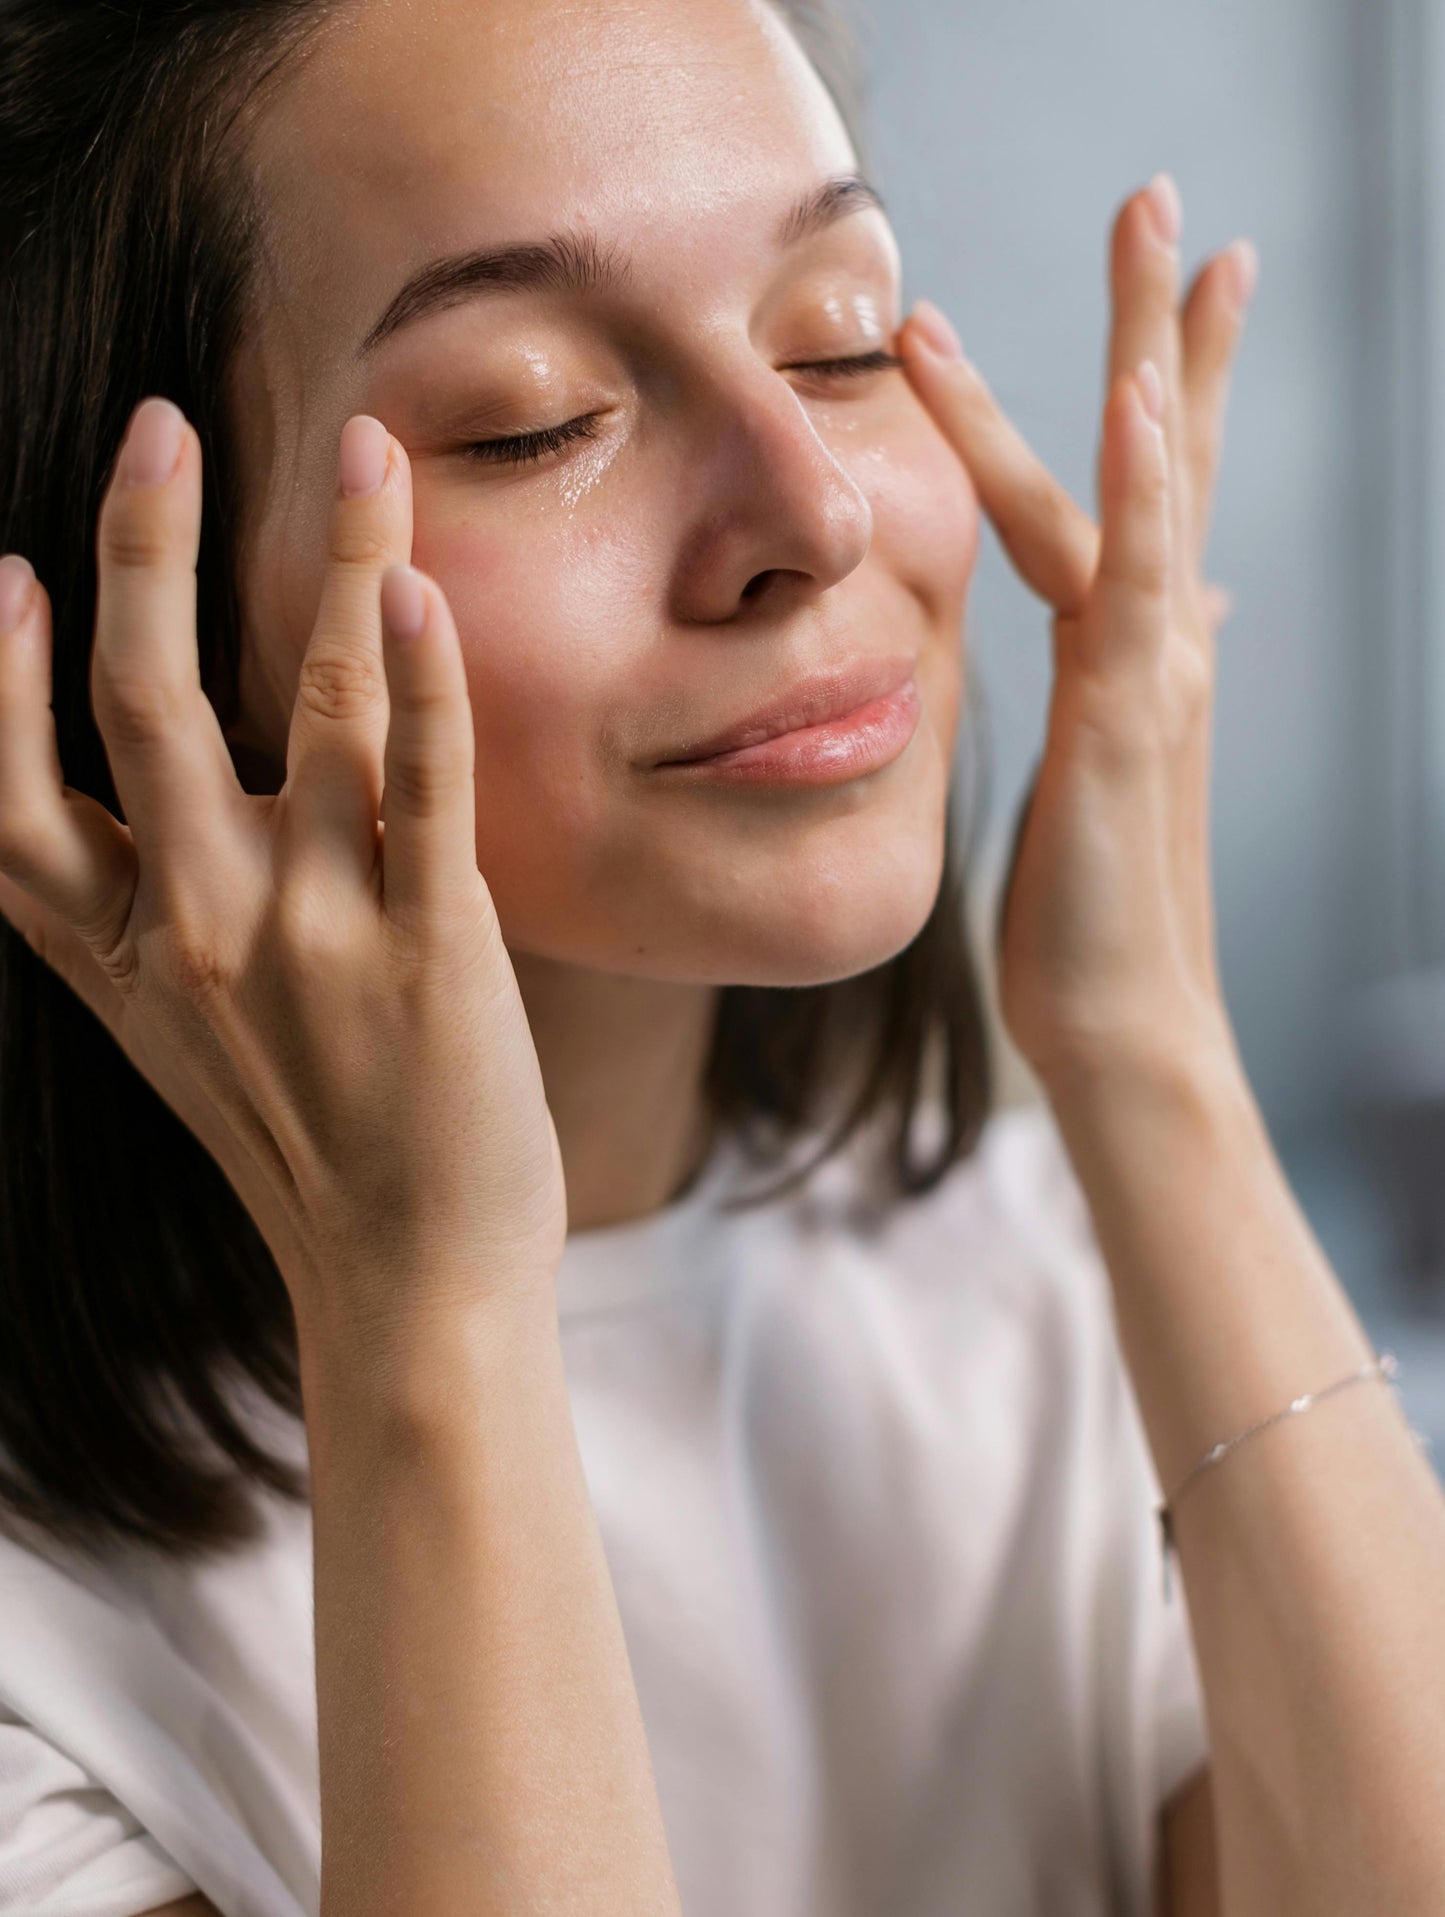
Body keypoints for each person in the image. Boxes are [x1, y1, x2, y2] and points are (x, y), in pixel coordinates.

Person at [3, 0, 1444, 1912]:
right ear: (151, 643)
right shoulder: (52, 1626)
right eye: (536, 416)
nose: (812, 508)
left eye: (838, 338)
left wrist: (1144, 1048)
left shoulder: (1040, 1292)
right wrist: (426, 1313)